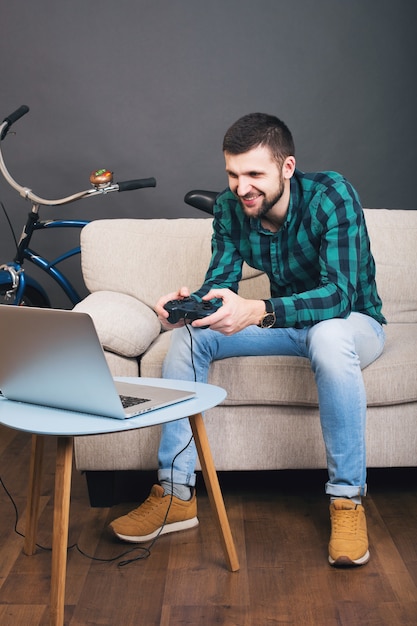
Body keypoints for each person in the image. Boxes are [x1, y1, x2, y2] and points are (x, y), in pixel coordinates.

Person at [110, 112, 386, 567]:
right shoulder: (229, 208)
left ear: (287, 168)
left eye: (254, 174)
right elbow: (221, 283)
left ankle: (346, 501)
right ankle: (176, 495)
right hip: (286, 324)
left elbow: (341, 294)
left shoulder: (332, 196)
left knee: (331, 335)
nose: (242, 188)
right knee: (191, 341)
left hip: (353, 323)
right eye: (233, 175)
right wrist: (190, 305)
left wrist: (259, 309)